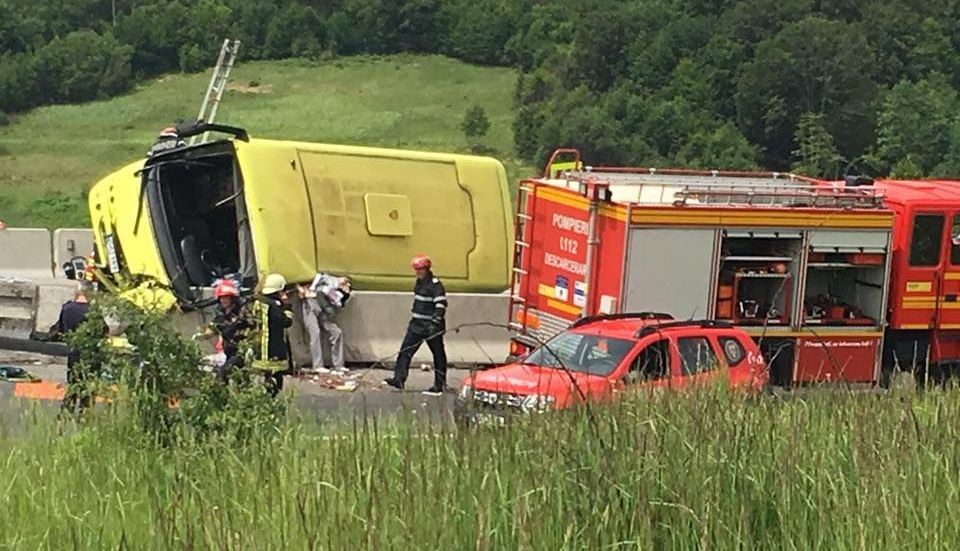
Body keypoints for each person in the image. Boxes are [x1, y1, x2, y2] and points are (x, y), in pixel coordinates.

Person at [384, 254, 448, 395]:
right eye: (416, 269)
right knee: (405, 351)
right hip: (417, 325)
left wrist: (435, 322)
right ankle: (399, 379)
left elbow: (441, 305)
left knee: (438, 355)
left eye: (420, 269)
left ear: (427, 269)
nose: (417, 272)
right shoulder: (419, 283)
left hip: (431, 326)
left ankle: (440, 384)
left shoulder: (435, 285)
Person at [298, 272, 351, 374]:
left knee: (337, 332)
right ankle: (317, 365)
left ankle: (339, 365)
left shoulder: (337, 290)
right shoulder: (327, 279)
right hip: (311, 304)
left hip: (323, 309)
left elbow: (336, 304)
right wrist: (302, 290)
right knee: (315, 333)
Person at [251, 273, 294, 395]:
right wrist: (287, 307)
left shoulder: (258, 302)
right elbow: (286, 322)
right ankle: (272, 396)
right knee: (275, 375)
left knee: (266, 374)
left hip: (260, 345)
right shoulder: (273, 306)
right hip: (273, 345)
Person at [203, 278, 252, 382]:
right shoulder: (221, 314)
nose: (223, 300)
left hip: (241, 351)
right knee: (239, 379)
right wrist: (203, 335)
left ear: (232, 298)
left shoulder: (242, 312)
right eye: (221, 298)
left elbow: (252, 327)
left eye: (226, 297)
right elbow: (212, 328)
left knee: (223, 375)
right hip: (228, 351)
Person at [56, 284, 92, 412]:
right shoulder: (93, 311)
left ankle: (66, 411)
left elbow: (60, 330)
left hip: (73, 351)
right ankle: (84, 413)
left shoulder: (67, 308)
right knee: (88, 385)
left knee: (73, 383)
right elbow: (102, 331)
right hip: (89, 353)